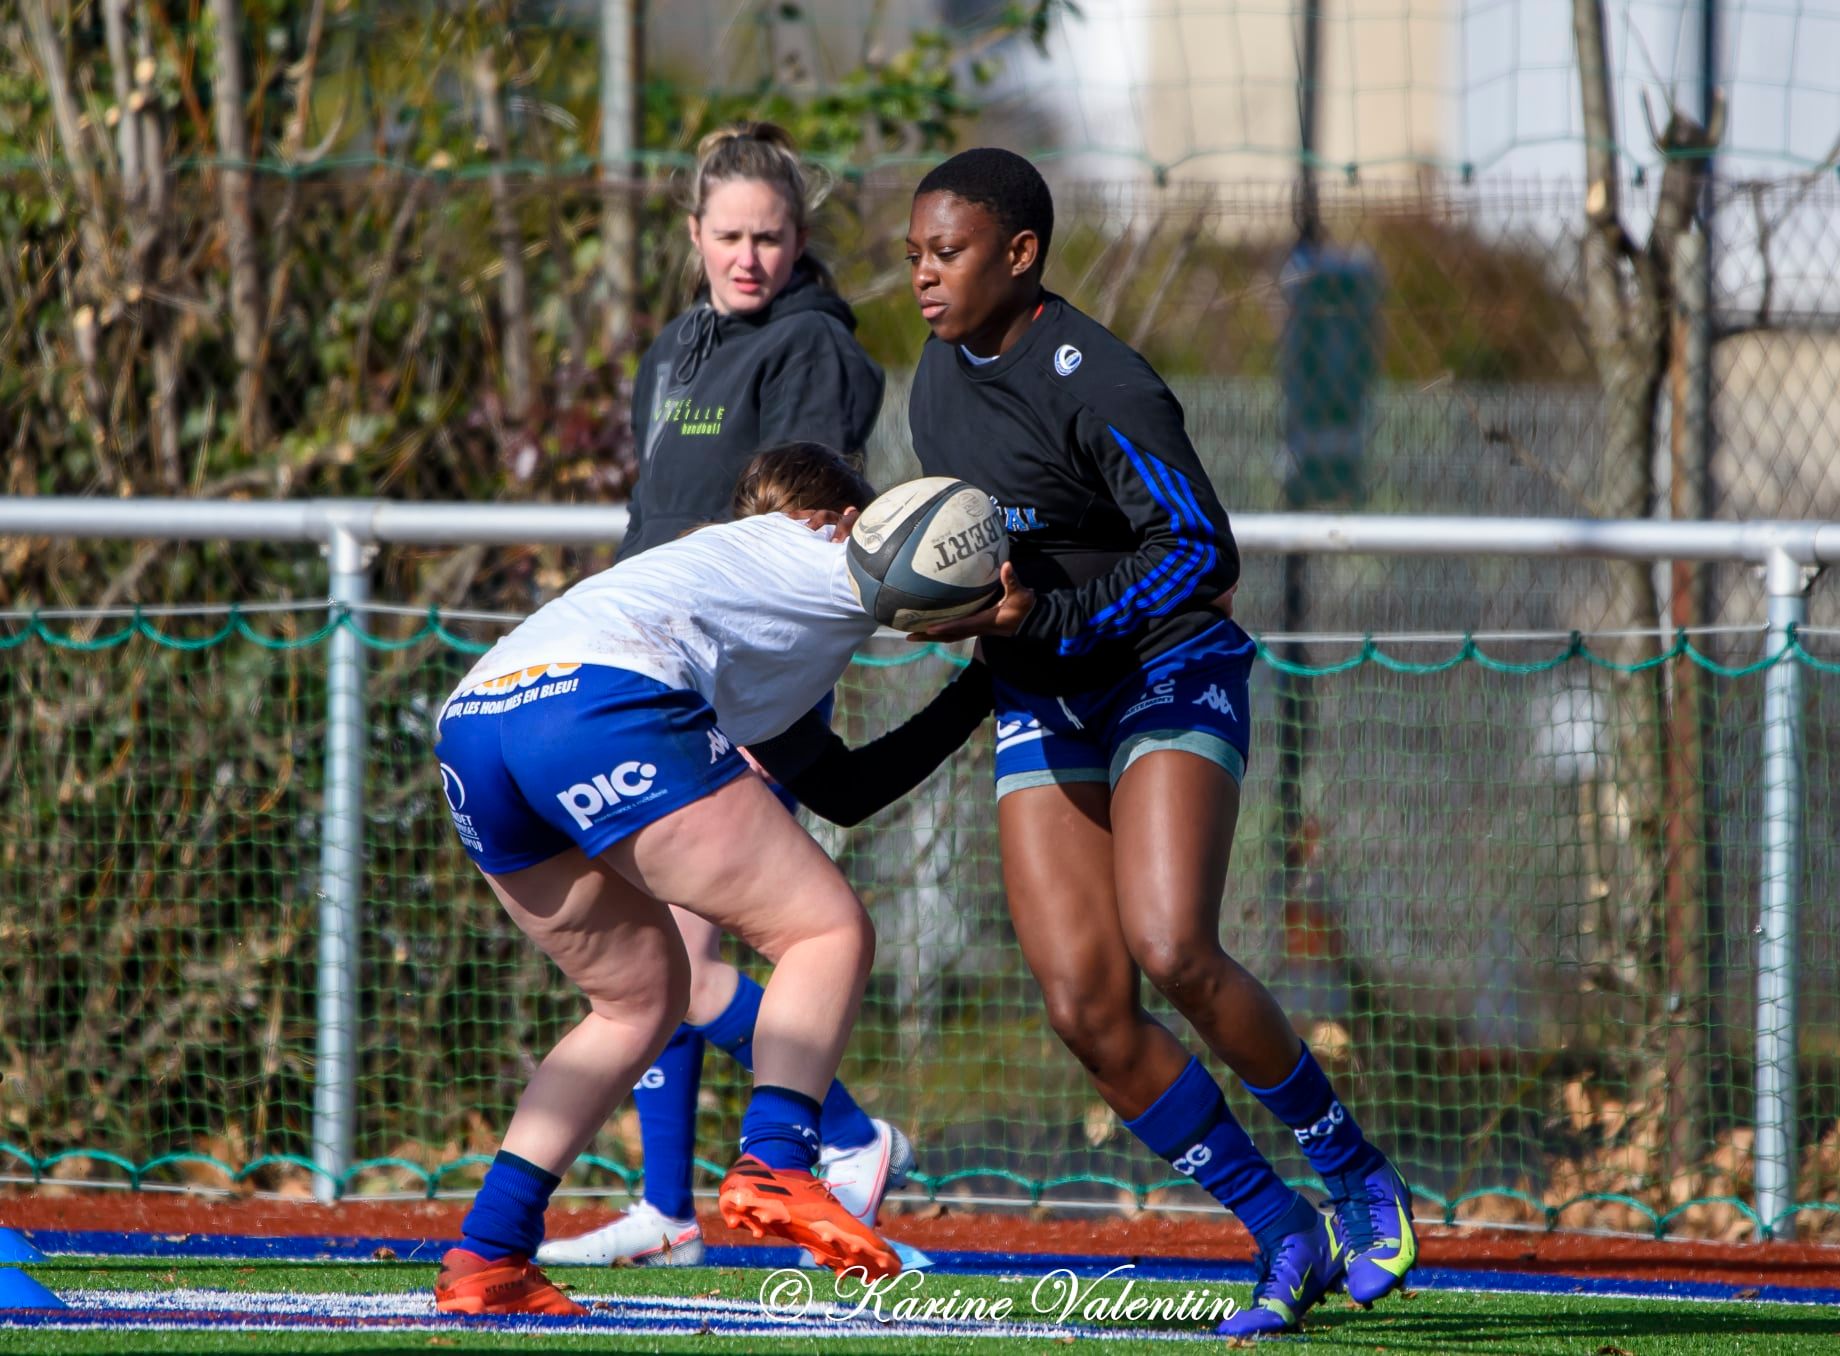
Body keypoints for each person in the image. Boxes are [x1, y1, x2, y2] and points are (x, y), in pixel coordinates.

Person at [901, 149, 1416, 1337]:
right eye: (916, 255)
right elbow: (985, 556)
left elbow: (1199, 550)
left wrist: (1061, 616)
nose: (925, 276)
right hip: (1045, 693)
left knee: (1173, 944)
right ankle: (1280, 1230)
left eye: (948, 252)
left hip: (1162, 672)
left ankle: (1354, 1176)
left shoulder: (1101, 379)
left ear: (1018, 255)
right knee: (1084, 1003)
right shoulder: (934, 380)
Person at [431, 445, 991, 1315]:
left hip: (474, 724)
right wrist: (1017, 614)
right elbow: (917, 561)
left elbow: (841, 788)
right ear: (843, 519)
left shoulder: (735, 606)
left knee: (638, 1003)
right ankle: (777, 1160)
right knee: (826, 932)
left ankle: (489, 1253)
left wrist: (975, 694)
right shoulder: (826, 549)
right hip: (598, 701)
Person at [542, 122, 905, 1270]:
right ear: (693, 235)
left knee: (688, 965)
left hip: (738, 685)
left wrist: (761, 708)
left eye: (774, 236)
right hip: (651, 680)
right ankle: (667, 1210)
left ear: (801, 241)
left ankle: (845, 1138)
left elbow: (806, 528)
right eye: (731, 236)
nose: (751, 257)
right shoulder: (675, 352)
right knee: (657, 953)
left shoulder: (815, 353)